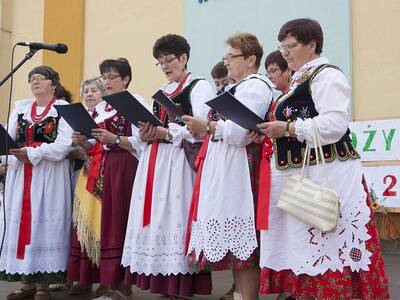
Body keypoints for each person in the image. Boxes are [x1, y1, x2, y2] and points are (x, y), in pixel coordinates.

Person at [254, 18, 389, 299]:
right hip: (305, 177)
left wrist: (289, 128)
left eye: (290, 46)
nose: (285, 52)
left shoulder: (326, 75)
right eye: (282, 46)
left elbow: (334, 125)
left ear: (312, 44)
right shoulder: (298, 80)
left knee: (329, 243)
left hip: (328, 175)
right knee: (306, 247)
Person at [121, 33, 214, 299]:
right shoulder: (161, 93)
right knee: (157, 221)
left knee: (176, 217)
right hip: (155, 162)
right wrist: (147, 132)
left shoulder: (199, 86)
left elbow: (201, 129)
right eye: (160, 61)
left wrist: (167, 133)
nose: (164, 65)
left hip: (179, 164)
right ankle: (164, 286)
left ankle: (182, 287)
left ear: (184, 58)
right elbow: (152, 130)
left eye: (169, 60)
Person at [184, 32, 273, 300]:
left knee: (245, 249)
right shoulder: (236, 87)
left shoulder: (255, 86)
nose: (226, 63)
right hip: (224, 167)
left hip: (240, 170)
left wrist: (208, 126)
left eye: (231, 57)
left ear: (251, 59)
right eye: (225, 57)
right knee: (236, 250)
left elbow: (242, 132)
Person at [72, 58, 143, 300]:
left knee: (119, 223)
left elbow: (142, 142)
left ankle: (122, 288)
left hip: (124, 166)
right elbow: (95, 141)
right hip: (101, 166)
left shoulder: (135, 103)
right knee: (104, 224)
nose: (106, 81)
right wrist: (85, 141)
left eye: (111, 76)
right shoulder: (101, 108)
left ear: (125, 79)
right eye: (104, 77)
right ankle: (106, 284)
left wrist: (114, 139)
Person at [0, 66, 73, 300]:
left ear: (54, 83)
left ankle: (43, 284)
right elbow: (8, 141)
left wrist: (32, 153)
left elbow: (63, 146)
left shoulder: (63, 110)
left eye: (41, 78)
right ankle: (27, 283)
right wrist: (8, 157)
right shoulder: (20, 109)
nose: (35, 82)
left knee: (44, 226)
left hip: (49, 176)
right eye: (32, 79)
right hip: (20, 176)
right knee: (21, 225)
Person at [67, 77, 106, 296]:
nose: (89, 94)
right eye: (86, 91)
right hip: (85, 172)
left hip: (103, 172)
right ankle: (83, 278)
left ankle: (103, 279)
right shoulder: (83, 117)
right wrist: (79, 143)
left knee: (98, 223)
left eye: (94, 90)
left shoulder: (106, 113)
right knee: (81, 222)